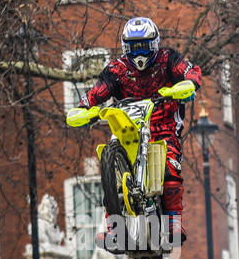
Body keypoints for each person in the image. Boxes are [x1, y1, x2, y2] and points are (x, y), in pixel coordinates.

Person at [77, 16, 202, 242]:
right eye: (133, 49)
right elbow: (98, 91)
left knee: (170, 170)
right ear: (126, 48)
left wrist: (190, 82)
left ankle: (173, 222)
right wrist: (84, 107)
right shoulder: (116, 69)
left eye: (144, 47)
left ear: (154, 44)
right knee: (111, 172)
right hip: (128, 127)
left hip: (164, 126)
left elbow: (189, 70)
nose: (139, 54)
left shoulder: (167, 59)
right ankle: (113, 226)